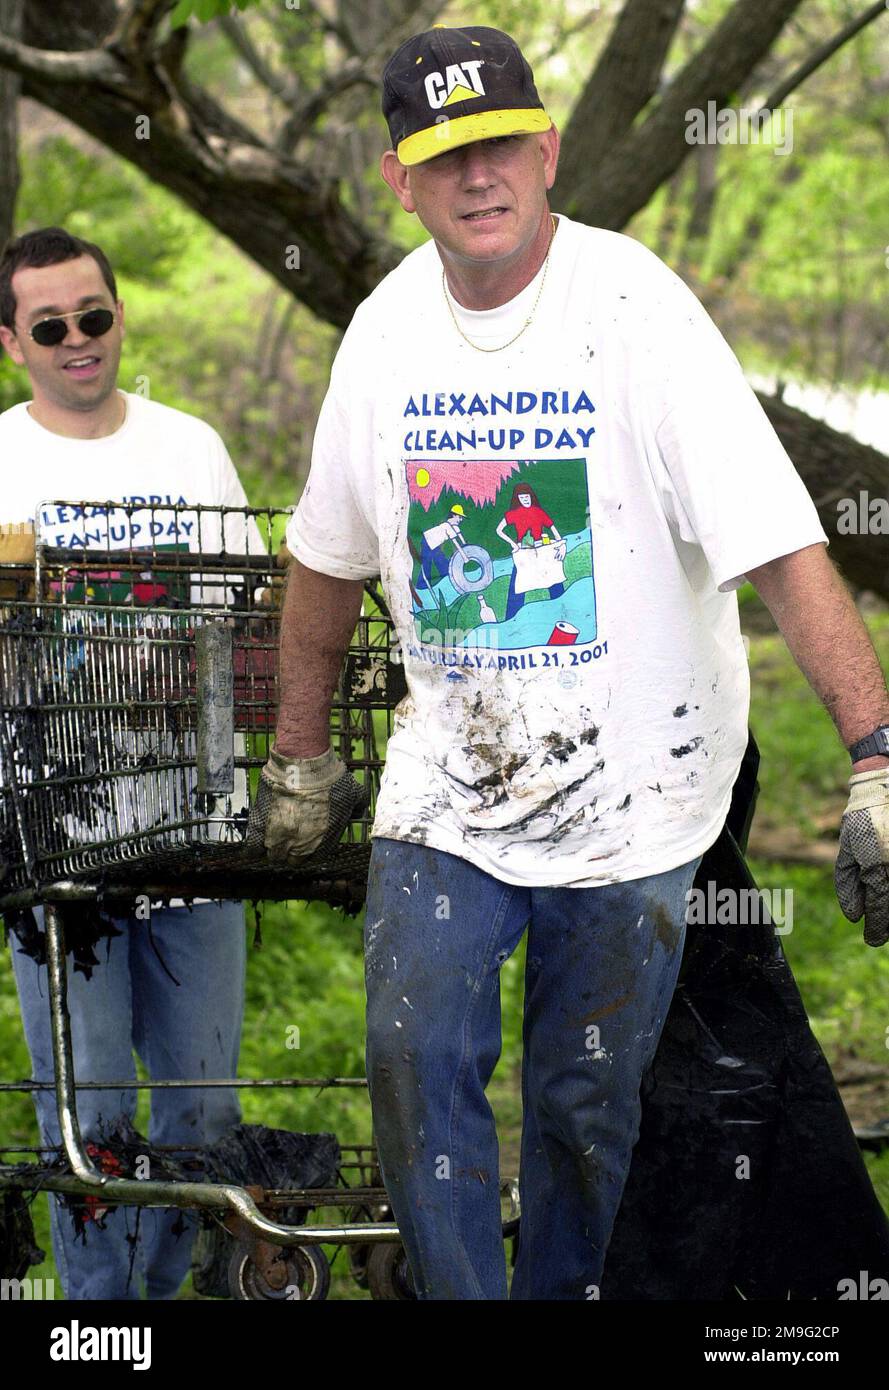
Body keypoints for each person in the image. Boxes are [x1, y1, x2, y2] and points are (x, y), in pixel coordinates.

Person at [253, 25, 889, 1299]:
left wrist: (876, 755)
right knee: (410, 1047)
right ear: (399, 180)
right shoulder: (383, 334)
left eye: (498, 147)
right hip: (448, 784)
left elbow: (780, 546)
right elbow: (324, 559)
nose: (476, 178)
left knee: (581, 1098)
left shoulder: (636, 310)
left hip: (638, 789)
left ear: (545, 149)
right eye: (443, 160)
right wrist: (299, 754)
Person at [0, 227, 259, 1300]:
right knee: (89, 1107)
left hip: (193, 817)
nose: (78, 342)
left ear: (119, 316)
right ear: (13, 340)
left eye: (93, 317)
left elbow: (252, 614)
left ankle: (158, 1301)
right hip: (53, 837)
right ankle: (100, 1323)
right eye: (50, 326)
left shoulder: (189, 446)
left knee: (199, 1101)